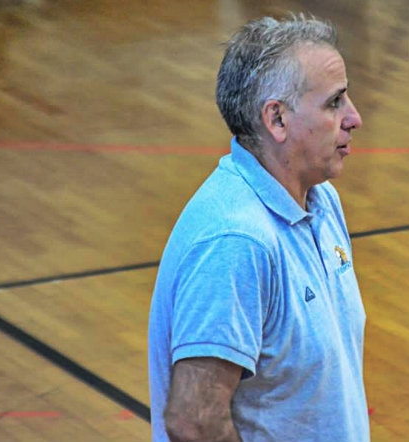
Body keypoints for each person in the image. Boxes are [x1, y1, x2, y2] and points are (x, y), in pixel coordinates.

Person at [148, 14, 369, 442]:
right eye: (334, 103)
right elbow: (195, 420)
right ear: (277, 119)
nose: (354, 117)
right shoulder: (236, 241)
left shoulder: (321, 201)